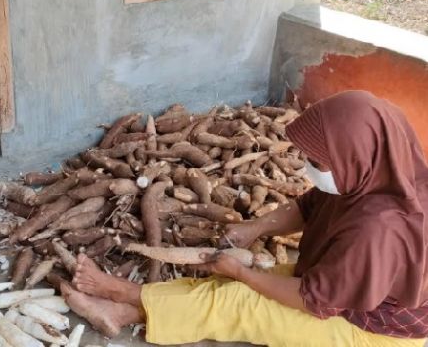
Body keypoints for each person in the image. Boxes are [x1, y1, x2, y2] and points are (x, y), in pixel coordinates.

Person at [63, 91, 428, 347]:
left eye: (316, 163)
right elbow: (309, 207)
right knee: (239, 285)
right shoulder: (384, 174)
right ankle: (127, 308)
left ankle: (124, 299)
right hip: (351, 294)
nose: (306, 169)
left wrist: (242, 273)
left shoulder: (378, 228)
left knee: (240, 301)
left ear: (355, 156)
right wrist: (255, 227)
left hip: (372, 334)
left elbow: (314, 301)